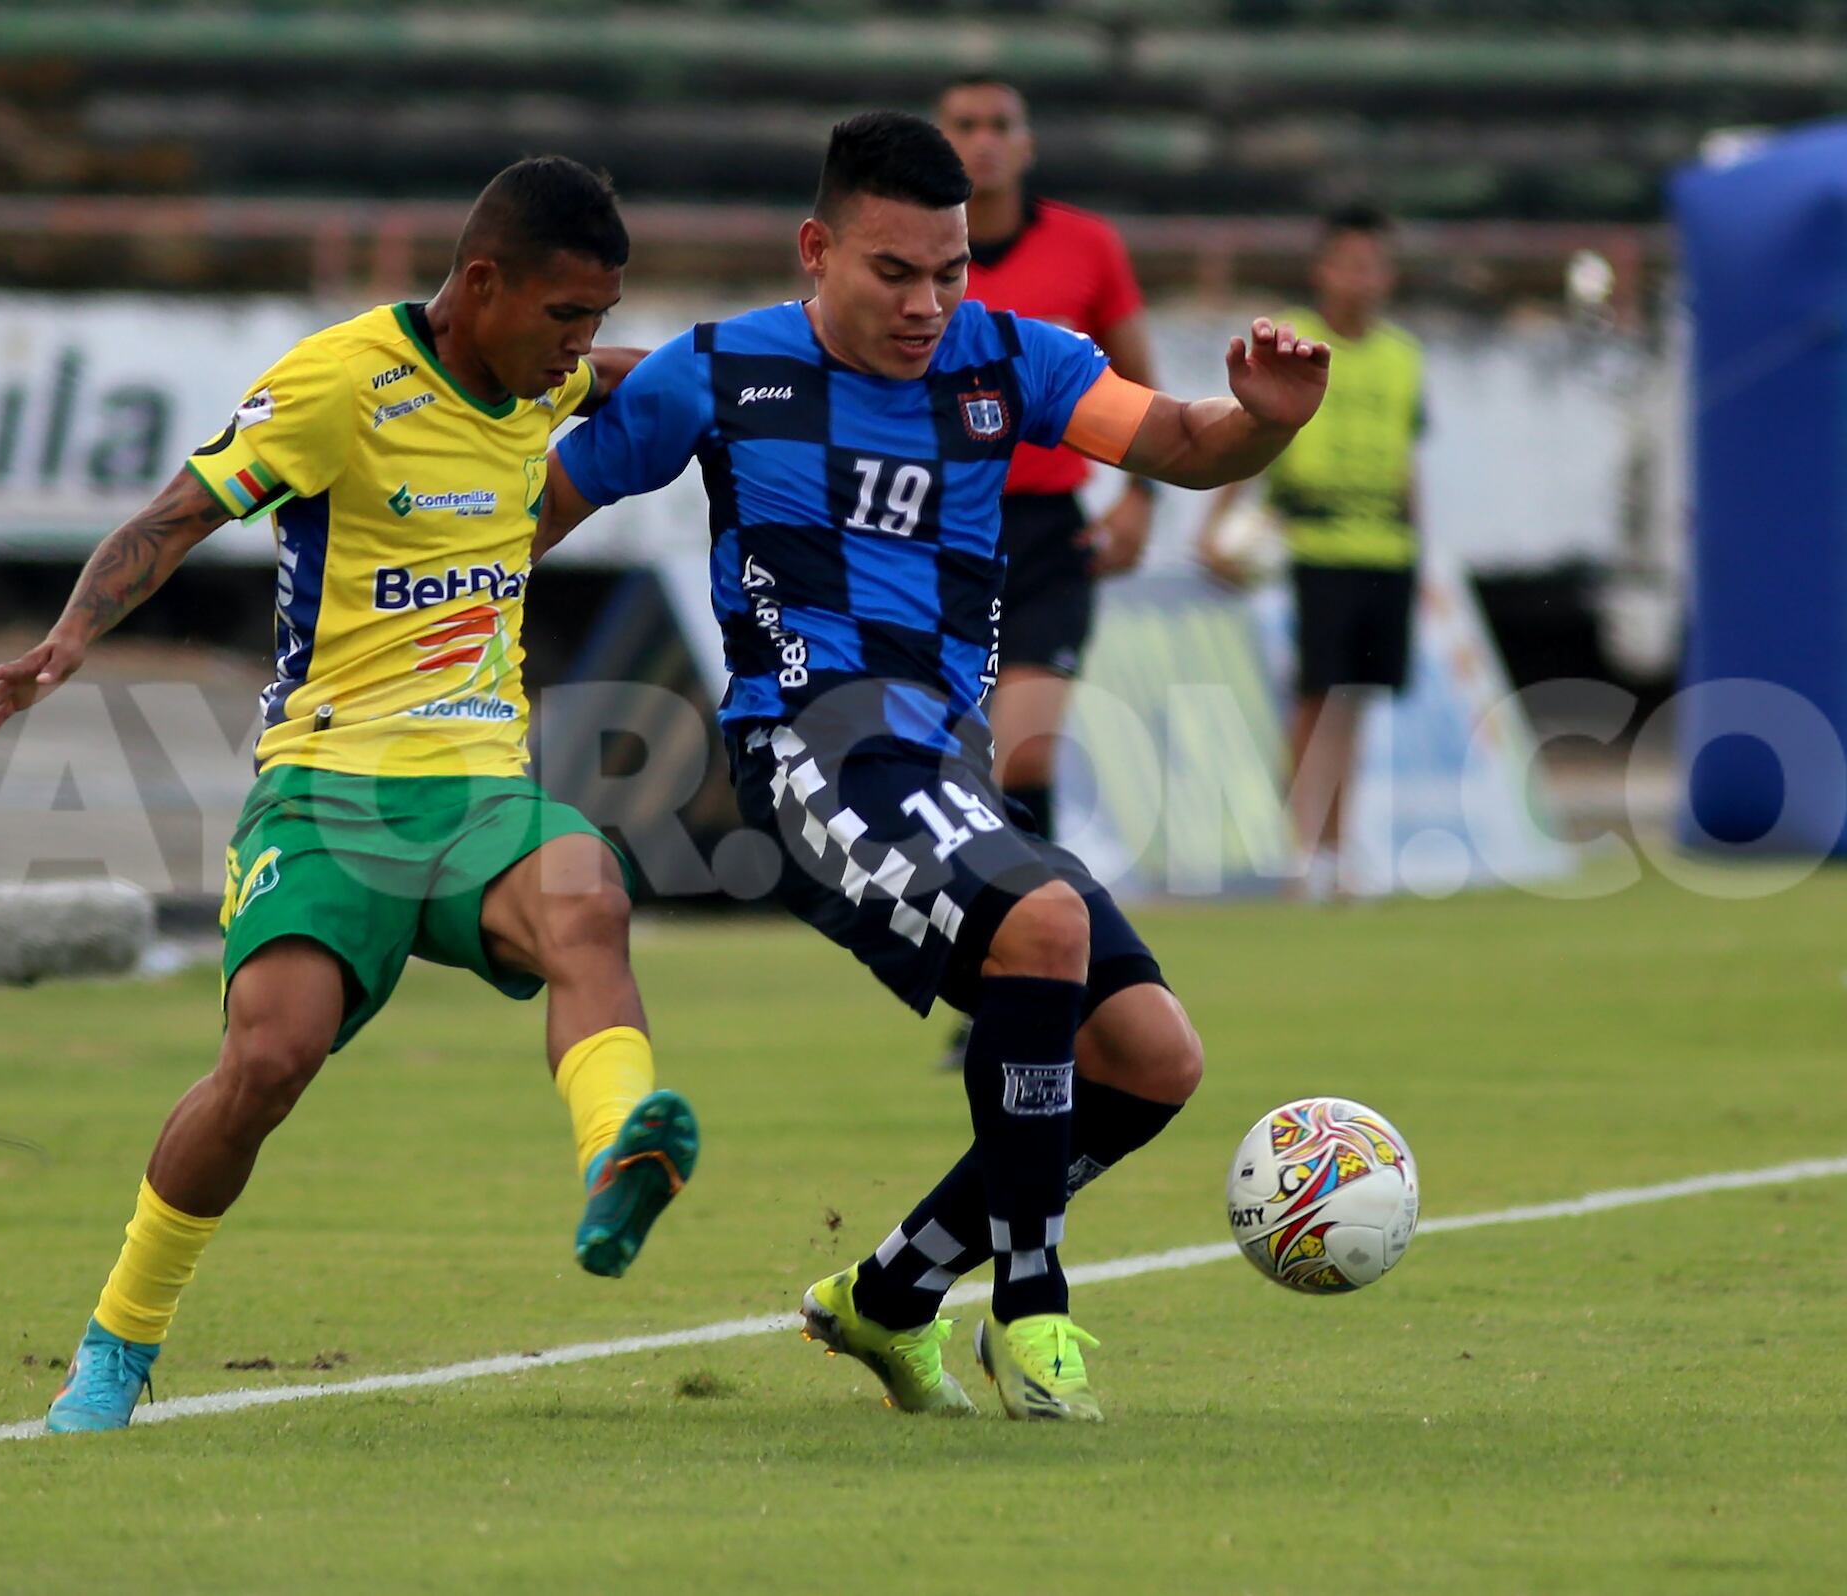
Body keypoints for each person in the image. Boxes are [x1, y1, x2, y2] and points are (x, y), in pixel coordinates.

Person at [537, 113, 1327, 1421]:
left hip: (942, 765)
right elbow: (528, 524)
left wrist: (1263, 422)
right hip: (808, 749)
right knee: (1047, 920)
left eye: (951, 271)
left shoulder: (1007, 360)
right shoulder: (717, 375)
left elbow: (1186, 441)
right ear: (817, 250)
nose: (928, 303)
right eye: (895, 271)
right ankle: (1033, 1310)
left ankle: (891, 1295)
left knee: (1154, 1059)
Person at [0, 158, 698, 1435]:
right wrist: (70, 639)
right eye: (564, 317)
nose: (579, 350)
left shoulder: (540, 375)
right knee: (266, 1060)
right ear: (481, 284)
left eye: (593, 321)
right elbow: (176, 513)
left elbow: (633, 376)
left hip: (478, 786)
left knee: (587, 892)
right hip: (328, 792)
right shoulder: (338, 383)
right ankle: (117, 1343)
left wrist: (740, 373)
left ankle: (618, 1158)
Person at [932, 73, 1161, 1072]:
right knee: (955, 775)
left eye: (1000, 126)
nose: (983, 143)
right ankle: (1009, 973)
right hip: (931, 532)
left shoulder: (1088, 248)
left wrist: (1143, 498)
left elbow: (1136, 378)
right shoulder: (912, 258)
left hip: (1042, 536)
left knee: (1023, 758)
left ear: (1027, 144)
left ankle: (1043, 982)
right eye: (964, 127)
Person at [1197, 204, 1424, 900]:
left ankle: (1336, 849)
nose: (1361, 279)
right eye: (1348, 263)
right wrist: (1217, 523)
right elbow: (1261, 433)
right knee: (1314, 698)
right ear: (1323, 270)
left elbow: (1408, 460)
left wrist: (1425, 551)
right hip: (1315, 544)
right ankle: (1297, 849)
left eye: (1373, 265)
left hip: (1385, 548)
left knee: (1354, 702)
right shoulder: (1298, 344)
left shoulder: (1402, 358)